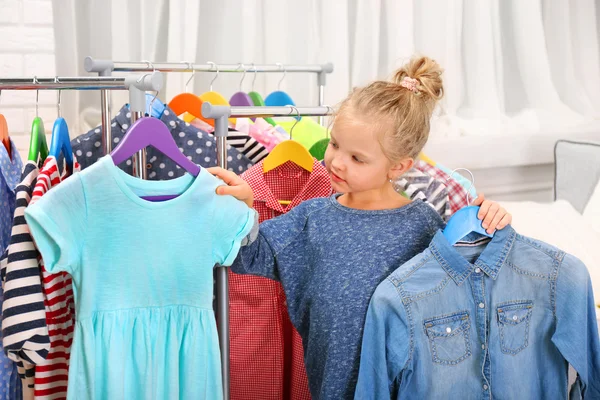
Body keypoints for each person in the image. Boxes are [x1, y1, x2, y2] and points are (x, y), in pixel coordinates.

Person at [208, 56, 511, 400]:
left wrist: (490, 221)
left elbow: (475, 284)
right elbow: (249, 256)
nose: (336, 161)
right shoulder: (312, 218)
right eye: (335, 144)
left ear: (399, 166)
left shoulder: (425, 226)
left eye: (357, 158)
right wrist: (244, 210)